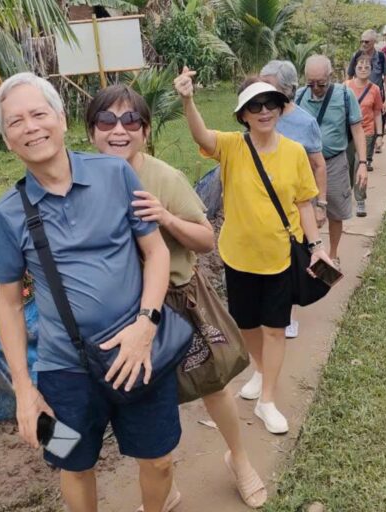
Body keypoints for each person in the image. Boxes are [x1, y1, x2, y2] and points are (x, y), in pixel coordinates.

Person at [0, 72, 178, 512]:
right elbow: (9, 303)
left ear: (61, 118)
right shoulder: (8, 213)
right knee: (73, 464)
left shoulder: (115, 173)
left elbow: (157, 253)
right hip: (64, 371)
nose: (31, 127)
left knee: (159, 459)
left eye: (39, 114)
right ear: (8, 142)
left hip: (137, 353)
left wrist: (146, 326)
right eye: (16, 121)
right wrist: (24, 389)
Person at [85, 85, 267, 509]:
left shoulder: (163, 177)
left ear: (145, 131)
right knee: (145, 398)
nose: (119, 130)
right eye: (106, 121)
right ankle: (165, 488)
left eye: (131, 121)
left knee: (212, 385)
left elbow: (205, 238)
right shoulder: (85, 181)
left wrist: (165, 217)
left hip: (178, 301)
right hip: (122, 313)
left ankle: (239, 458)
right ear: (91, 132)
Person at [174, 67, 334, 435]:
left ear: (280, 108)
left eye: (271, 104)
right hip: (238, 256)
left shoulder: (294, 152)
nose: (264, 111)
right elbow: (201, 135)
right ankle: (261, 371)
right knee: (246, 325)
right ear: (243, 115)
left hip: (279, 257)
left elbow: (304, 204)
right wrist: (188, 100)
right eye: (255, 106)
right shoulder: (232, 146)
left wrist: (316, 247)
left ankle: (268, 400)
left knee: (275, 329)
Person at [260, 59, 328, 339]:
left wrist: (321, 204)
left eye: (269, 87)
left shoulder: (304, 122)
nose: (262, 95)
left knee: (291, 258)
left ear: (287, 90)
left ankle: (287, 314)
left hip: (294, 204)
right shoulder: (258, 116)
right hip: (262, 204)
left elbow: (319, 165)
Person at [296, 55, 367, 266]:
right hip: (305, 166)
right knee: (304, 211)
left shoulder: (345, 95)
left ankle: (333, 255)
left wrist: (362, 164)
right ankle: (310, 255)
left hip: (334, 163)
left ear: (331, 76)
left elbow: (358, 130)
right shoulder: (298, 97)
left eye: (321, 83)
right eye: (311, 83)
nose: (316, 88)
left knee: (335, 212)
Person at [344, 55, 384, 218]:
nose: (363, 69)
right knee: (346, 166)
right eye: (360, 67)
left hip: (366, 132)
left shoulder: (375, 89)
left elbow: (377, 113)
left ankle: (360, 200)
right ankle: (346, 195)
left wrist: (379, 135)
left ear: (371, 70)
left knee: (360, 166)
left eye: (367, 67)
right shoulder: (345, 86)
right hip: (347, 134)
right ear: (354, 68)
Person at [346, 29, 386, 154]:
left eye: (366, 42)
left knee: (376, 123)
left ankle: (372, 149)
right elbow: (349, 76)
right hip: (358, 99)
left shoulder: (381, 57)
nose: (363, 44)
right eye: (361, 41)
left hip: (376, 97)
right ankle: (363, 152)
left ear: (374, 41)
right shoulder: (356, 56)